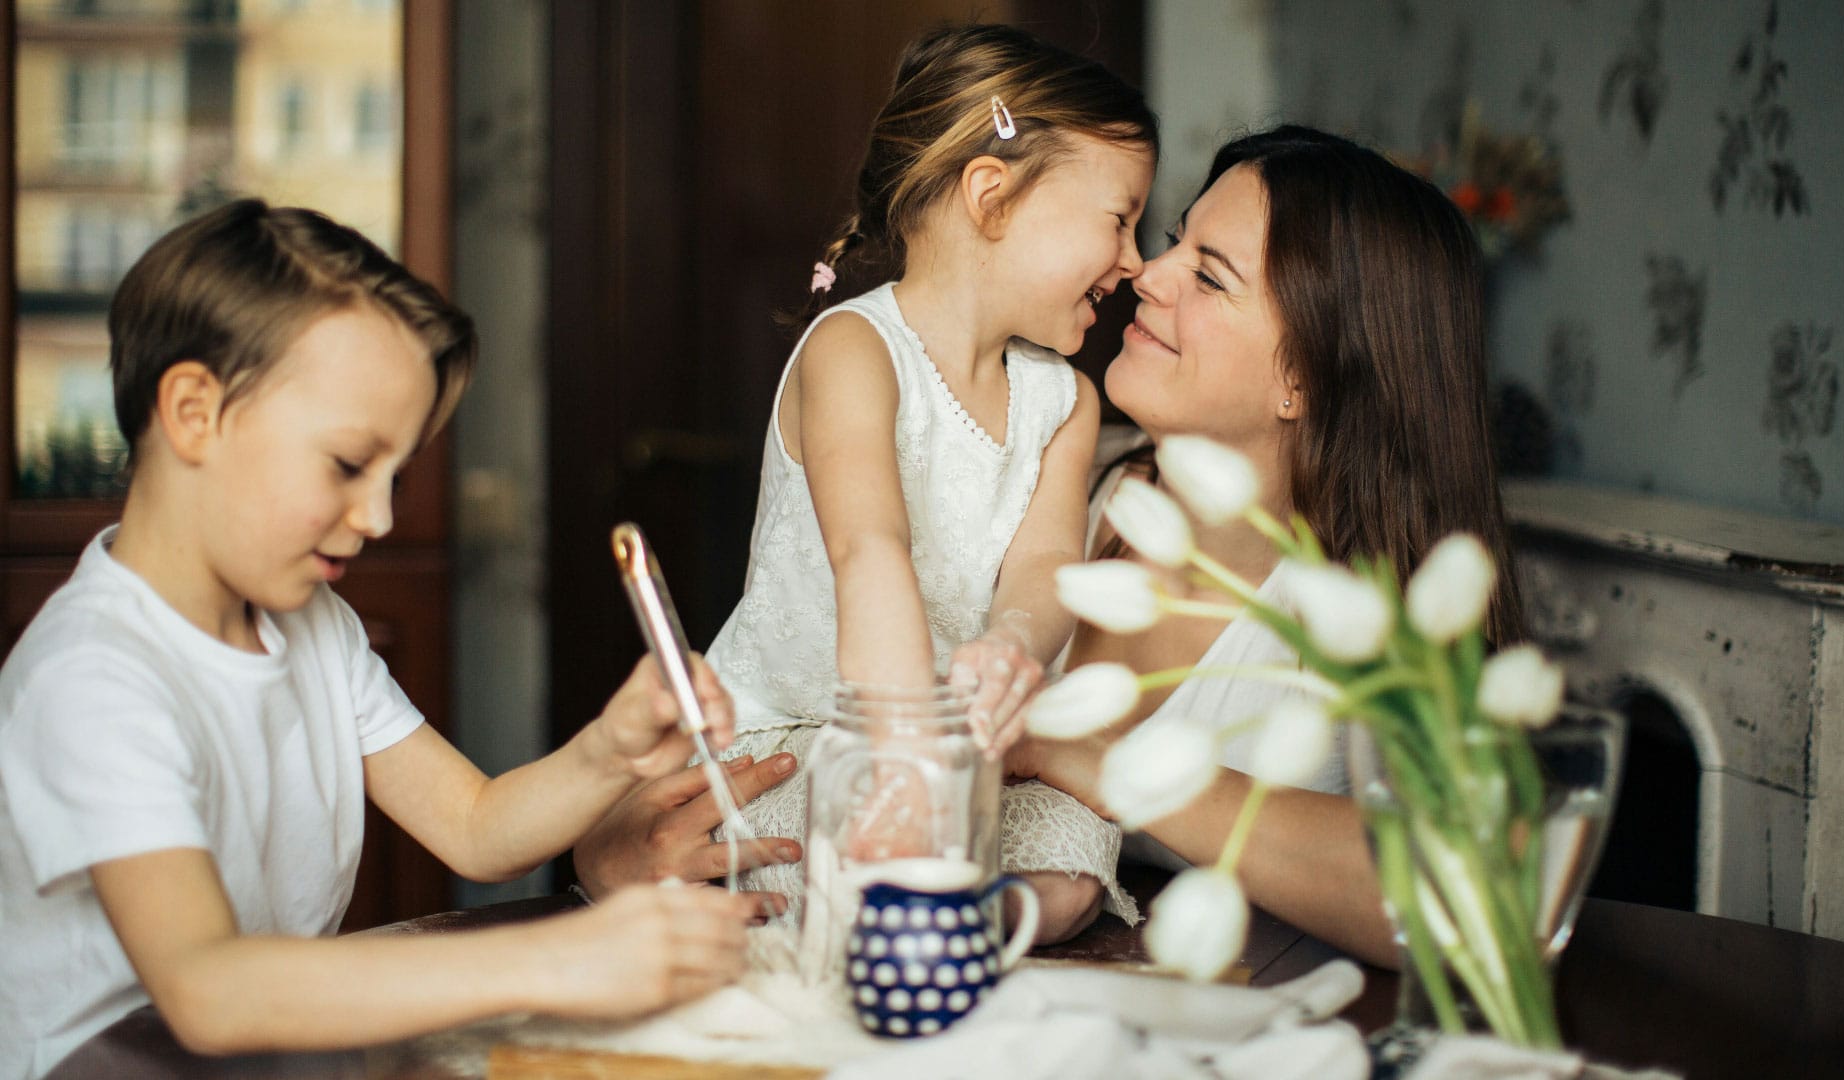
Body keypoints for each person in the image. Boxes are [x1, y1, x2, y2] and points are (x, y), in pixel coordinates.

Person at [0, 200, 760, 1079]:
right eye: (348, 465)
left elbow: (476, 829)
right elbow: (208, 991)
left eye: (395, 475)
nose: (379, 516)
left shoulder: (311, 624)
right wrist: (562, 958)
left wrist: (609, 752)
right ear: (194, 411)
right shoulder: (93, 677)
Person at [579, 24, 1157, 944]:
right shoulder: (855, 350)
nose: (1133, 260)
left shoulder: (1065, 402)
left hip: (967, 755)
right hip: (813, 733)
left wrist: (1014, 643)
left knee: (1073, 858)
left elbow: (1046, 563)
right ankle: (901, 906)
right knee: (821, 838)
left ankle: (942, 918)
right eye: (1119, 218)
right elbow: (869, 550)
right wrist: (902, 760)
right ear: (993, 196)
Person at [1007, 124, 1525, 968]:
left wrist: (1106, 762)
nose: (1148, 270)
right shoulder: (1057, 480)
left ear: (1304, 379)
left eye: (1209, 275)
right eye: (1178, 241)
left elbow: (1467, 897)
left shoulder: (1372, 616)